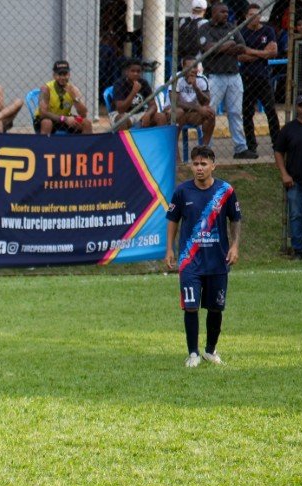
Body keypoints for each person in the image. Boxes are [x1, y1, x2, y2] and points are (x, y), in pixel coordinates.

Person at [164, 146, 241, 368]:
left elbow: (235, 219)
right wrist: (169, 249)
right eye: (196, 164)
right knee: (191, 306)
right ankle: (193, 353)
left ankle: (210, 350)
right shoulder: (182, 192)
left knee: (216, 307)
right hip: (190, 261)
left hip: (217, 260)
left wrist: (234, 246)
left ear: (213, 166)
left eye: (203, 164)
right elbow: (173, 220)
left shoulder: (225, 191)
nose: (199, 168)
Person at [201, 3, 256, 158]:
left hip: (234, 75)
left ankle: (240, 148)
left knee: (235, 112)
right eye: (222, 12)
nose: (226, 14)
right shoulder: (205, 28)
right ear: (214, 12)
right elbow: (208, 48)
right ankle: (206, 148)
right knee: (209, 113)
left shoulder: (231, 27)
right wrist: (229, 45)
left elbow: (242, 47)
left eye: (227, 11)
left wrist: (222, 48)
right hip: (214, 76)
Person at [239, 4, 280, 154]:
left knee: (271, 111)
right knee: (247, 113)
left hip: (263, 77)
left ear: (261, 16)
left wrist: (251, 51)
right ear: (246, 16)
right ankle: (251, 146)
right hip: (247, 77)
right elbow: (240, 56)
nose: (254, 18)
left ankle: (277, 144)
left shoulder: (268, 30)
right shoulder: (242, 31)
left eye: (257, 15)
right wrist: (263, 53)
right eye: (251, 15)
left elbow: (273, 52)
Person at [273, 94, 302, 259]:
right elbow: (278, 151)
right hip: (296, 181)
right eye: (301, 105)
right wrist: (284, 174)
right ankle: (298, 250)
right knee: (296, 215)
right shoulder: (288, 129)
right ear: (296, 108)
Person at [33, 60, 93, 135]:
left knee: (87, 123)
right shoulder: (46, 88)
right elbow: (43, 113)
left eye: (65, 74)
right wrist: (64, 119)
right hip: (48, 118)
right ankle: (44, 142)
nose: (62, 77)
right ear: (54, 75)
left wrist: (75, 98)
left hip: (65, 119)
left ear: (69, 75)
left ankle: (84, 143)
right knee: (47, 122)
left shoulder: (73, 89)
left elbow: (83, 114)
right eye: (59, 74)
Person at [169, 57, 216, 150]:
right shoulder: (176, 77)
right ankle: (174, 151)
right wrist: (197, 108)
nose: (192, 70)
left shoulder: (202, 79)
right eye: (188, 67)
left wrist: (195, 87)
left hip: (192, 114)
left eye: (194, 67)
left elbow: (206, 102)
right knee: (179, 112)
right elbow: (175, 102)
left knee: (210, 113)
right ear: (183, 67)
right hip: (177, 112)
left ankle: (204, 149)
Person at [112, 58, 169, 129]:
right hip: (123, 114)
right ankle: (125, 137)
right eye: (132, 71)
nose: (136, 74)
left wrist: (148, 114)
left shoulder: (143, 83)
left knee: (161, 117)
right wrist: (134, 91)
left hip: (140, 113)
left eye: (138, 71)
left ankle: (159, 136)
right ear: (126, 72)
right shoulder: (119, 84)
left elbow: (153, 106)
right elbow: (121, 110)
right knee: (121, 120)